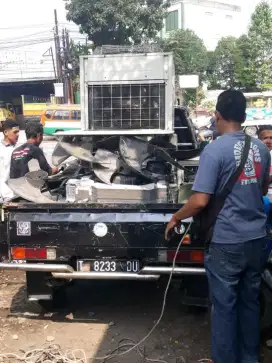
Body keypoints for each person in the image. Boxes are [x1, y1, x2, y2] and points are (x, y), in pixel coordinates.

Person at [165, 90, 270, 363]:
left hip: (227, 242)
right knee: (250, 302)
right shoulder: (261, 148)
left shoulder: (214, 150)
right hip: (257, 239)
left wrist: (177, 217)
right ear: (245, 117)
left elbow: (199, 200)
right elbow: (261, 189)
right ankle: (250, 358)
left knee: (224, 308)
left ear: (218, 116)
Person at [0, 121, 20, 202]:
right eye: (15, 132)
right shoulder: (1, 149)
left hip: (17, 194)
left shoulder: (19, 149)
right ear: (6, 132)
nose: (18, 134)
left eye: (18, 132)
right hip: (4, 195)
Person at [258, 125, 272, 201]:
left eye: (271, 138)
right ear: (259, 140)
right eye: (265, 138)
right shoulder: (253, 156)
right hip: (261, 198)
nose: (268, 141)